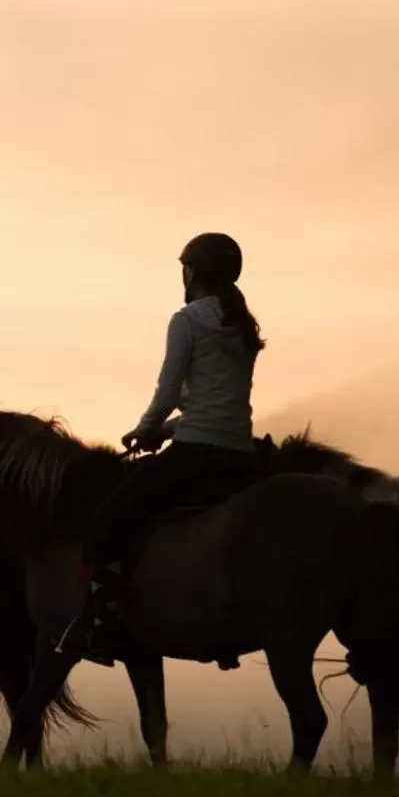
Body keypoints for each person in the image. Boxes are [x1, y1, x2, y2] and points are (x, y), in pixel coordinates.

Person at [72, 234, 263, 648]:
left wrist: (145, 429)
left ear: (192, 272)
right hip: (242, 457)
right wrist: (164, 430)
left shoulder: (188, 320)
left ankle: (106, 623)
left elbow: (168, 391)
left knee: (104, 525)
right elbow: (214, 405)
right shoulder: (242, 326)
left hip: (196, 455)